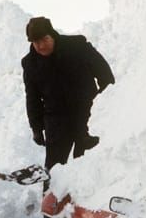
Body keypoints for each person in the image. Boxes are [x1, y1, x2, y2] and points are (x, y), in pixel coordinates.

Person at [21, 16, 115, 171]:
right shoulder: (30, 63)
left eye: (44, 39)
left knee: (87, 160)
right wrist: (36, 128)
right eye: (36, 42)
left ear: (52, 34)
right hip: (56, 117)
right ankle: (53, 194)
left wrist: (108, 97)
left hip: (87, 110)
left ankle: (91, 193)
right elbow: (32, 97)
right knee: (54, 169)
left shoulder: (76, 46)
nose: (41, 46)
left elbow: (102, 69)